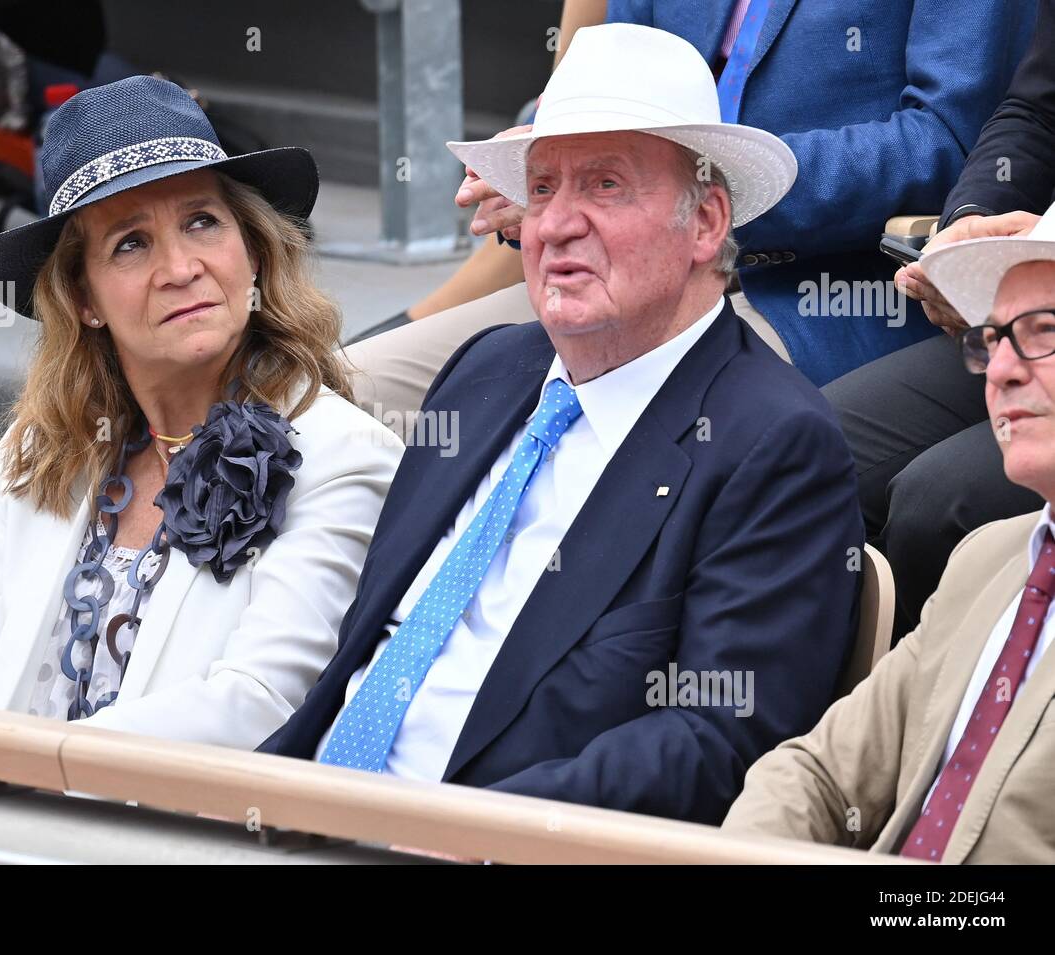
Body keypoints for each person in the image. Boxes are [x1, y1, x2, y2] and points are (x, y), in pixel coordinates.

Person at [259, 26, 863, 823]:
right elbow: (357, 650)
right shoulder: (485, 371)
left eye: (606, 186)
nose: (555, 226)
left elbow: (719, 743)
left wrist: (452, 828)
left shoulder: (774, 443)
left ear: (707, 223)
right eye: (542, 189)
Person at [0, 76, 403, 747]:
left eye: (202, 221)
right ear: (83, 299)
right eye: (130, 243)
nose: (180, 267)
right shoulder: (38, 457)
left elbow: (260, 705)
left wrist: (36, 769)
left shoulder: (341, 456)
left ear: (255, 252)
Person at [346, 0, 1036, 421]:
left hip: (812, 293)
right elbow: (612, 91)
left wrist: (708, 195)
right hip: (613, 256)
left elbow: (945, 144)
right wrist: (544, 165)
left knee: (620, 437)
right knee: (354, 397)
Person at [724, 201, 1055, 863]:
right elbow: (816, 772)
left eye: (1042, 331)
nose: (1001, 370)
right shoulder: (986, 561)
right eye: (991, 339)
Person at [824, 0, 1055, 640]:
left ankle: (952, 733)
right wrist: (971, 223)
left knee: (941, 503)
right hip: (1040, 301)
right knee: (815, 450)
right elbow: (1037, 111)